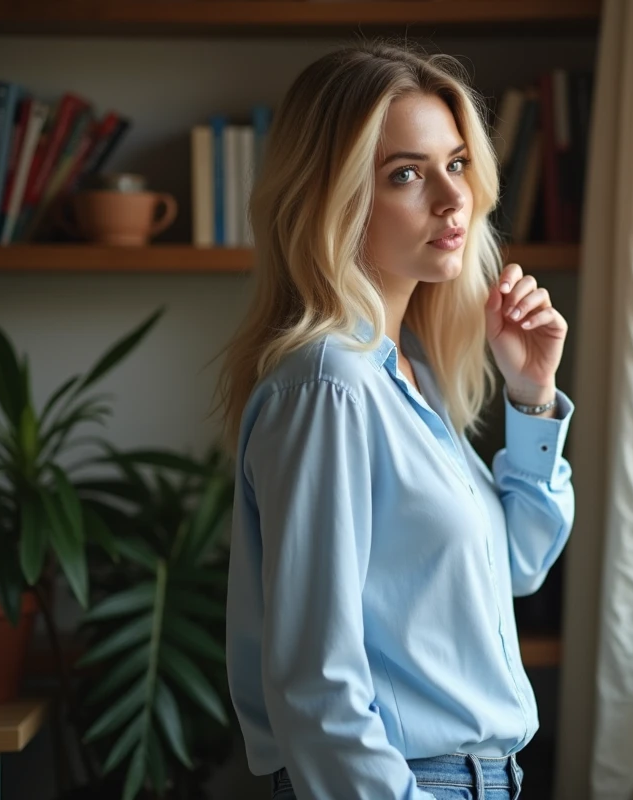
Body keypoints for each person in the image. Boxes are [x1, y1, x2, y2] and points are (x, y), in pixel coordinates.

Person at [215, 42, 576, 800]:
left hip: (483, 780)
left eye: (456, 164)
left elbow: (512, 568)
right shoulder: (330, 388)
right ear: (334, 197)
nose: (452, 200)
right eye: (405, 174)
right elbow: (318, 683)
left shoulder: (408, 374)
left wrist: (532, 399)